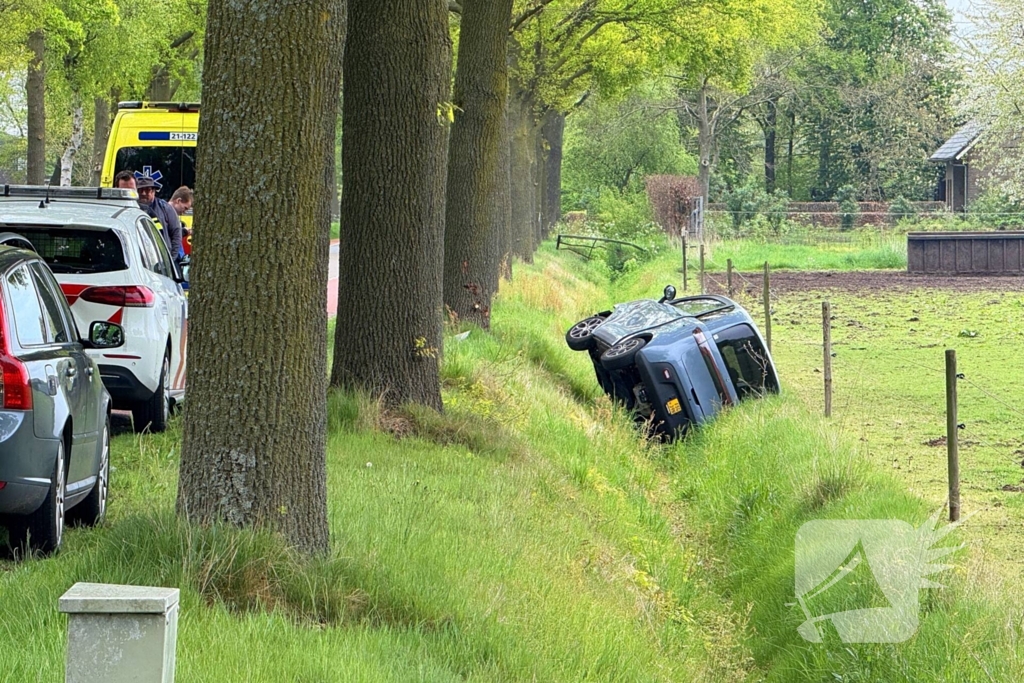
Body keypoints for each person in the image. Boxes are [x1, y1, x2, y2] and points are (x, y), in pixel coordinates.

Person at [135, 176, 183, 262]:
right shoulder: (132, 208)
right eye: (140, 190)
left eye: (147, 190)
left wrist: (171, 260)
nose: (143, 193)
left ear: (153, 191)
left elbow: (176, 234)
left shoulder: (165, 208)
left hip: (162, 259)